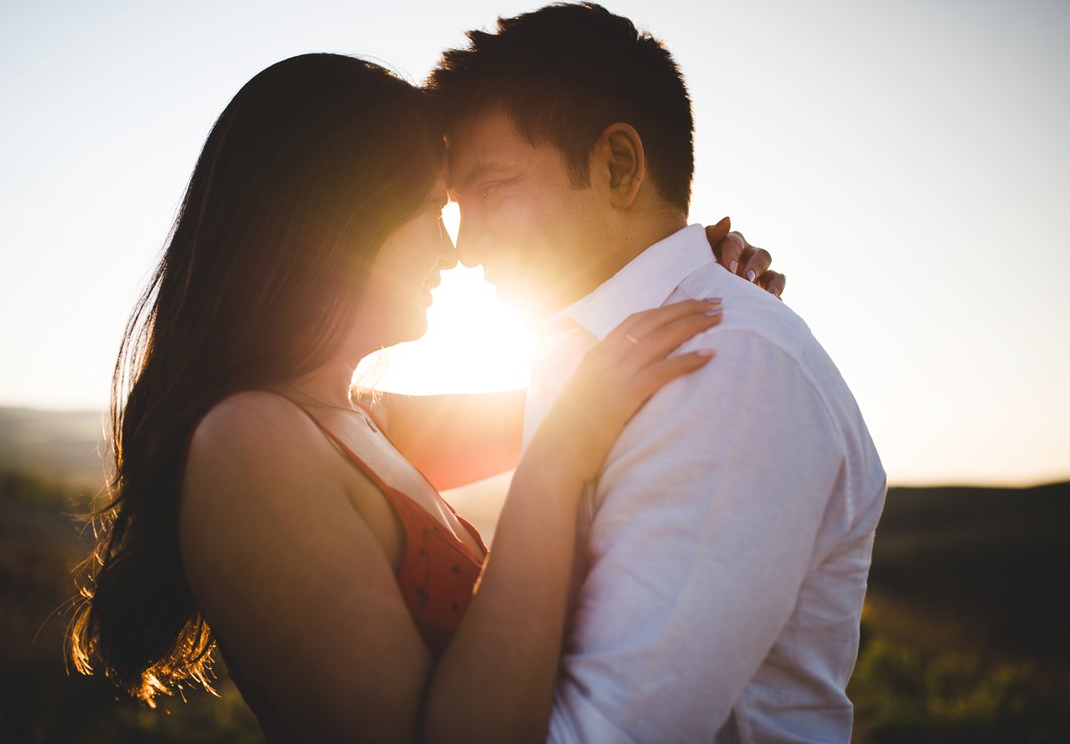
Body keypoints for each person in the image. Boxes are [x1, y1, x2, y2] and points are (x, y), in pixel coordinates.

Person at [66, 53, 778, 743]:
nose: (454, 252)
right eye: (434, 211)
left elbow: (581, 390)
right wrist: (555, 464)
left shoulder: (366, 423)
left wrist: (692, 281)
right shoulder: (250, 444)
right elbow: (564, 422)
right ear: (340, 214)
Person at [425, 2, 887, 742]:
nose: (465, 247)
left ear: (618, 165)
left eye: (490, 190)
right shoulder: (593, 357)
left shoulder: (728, 365)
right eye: (456, 208)